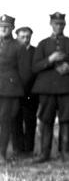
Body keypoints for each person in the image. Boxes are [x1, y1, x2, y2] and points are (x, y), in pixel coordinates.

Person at [31, 12, 69, 163]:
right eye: (56, 24)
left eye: (61, 24)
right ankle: (44, 153)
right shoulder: (43, 44)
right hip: (47, 88)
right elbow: (34, 67)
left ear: (65, 25)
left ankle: (65, 153)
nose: (58, 26)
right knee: (46, 120)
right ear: (51, 24)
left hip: (66, 88)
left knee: (66, 119)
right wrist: (50, 59)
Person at [0, 14, 32, 163]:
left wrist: (17, 88)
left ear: (12, 28)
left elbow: (25, 73)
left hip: (9, 91)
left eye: (7, 26)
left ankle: (1, 154)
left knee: (5, 122)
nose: (3, 28)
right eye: (1, 26)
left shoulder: (18, 47)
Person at [12, 26, 37, 158]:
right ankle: (18, 150)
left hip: (30, 93)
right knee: (15, 121)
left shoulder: (35, 51)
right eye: (22, 37)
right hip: (15, 93)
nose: (25, 40)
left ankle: (29, 150)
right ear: (17, 37)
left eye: (28, 37)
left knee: (30, 121)